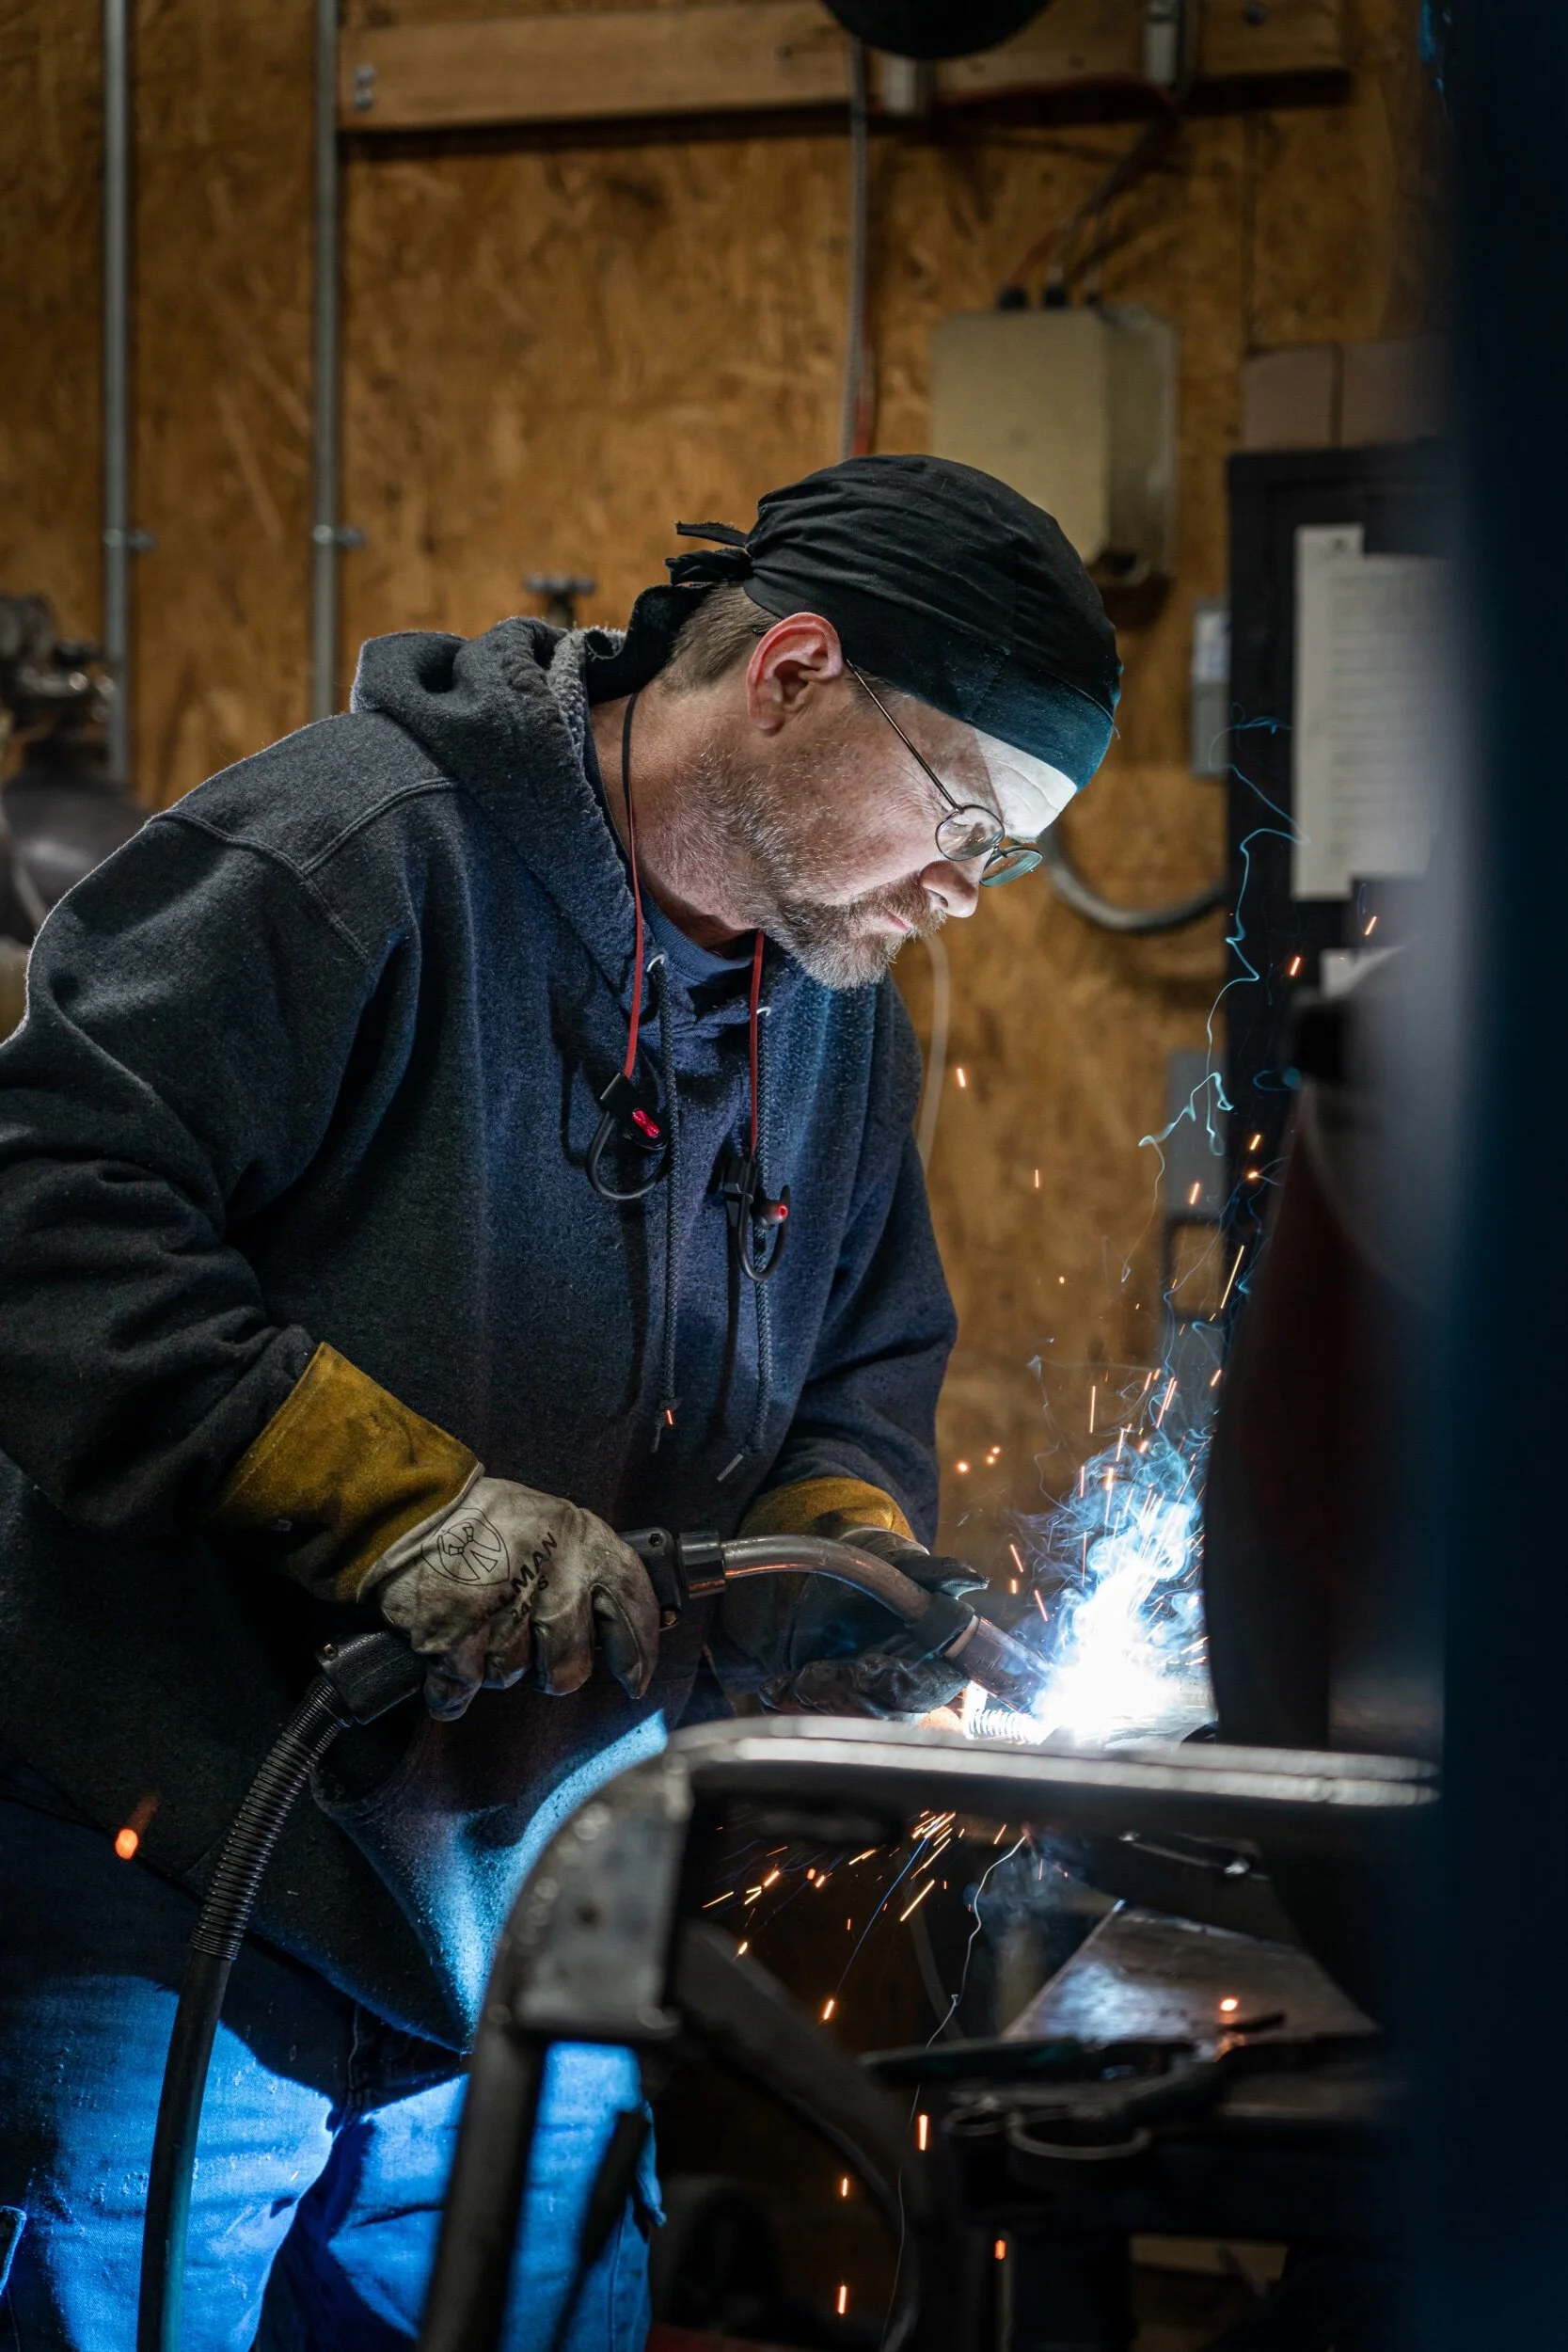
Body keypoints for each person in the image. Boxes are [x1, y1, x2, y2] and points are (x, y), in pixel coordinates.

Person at [0, 453, 1118, 2348]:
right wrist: (388, 1499)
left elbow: (860, 1359)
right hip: (179, 1885)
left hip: (532, 1919)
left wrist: (825, 1568)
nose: (963, 892)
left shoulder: (830, 1004)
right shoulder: (357, 857)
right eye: (960, 816)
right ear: (790, 669)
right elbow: (46, 1195)